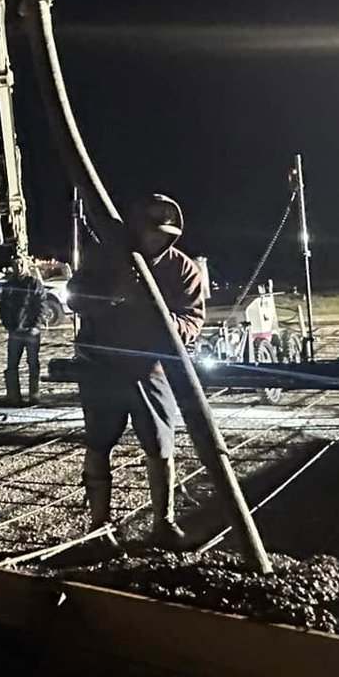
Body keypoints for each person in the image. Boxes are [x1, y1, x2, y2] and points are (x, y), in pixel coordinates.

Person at [71, 194, 206, 548]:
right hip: (103, 367)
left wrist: (171, 325)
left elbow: (193, 317)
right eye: (151, 232)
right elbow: (75, 296)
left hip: (150, 368)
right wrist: (111, 296)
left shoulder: (182, 268)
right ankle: (100, 525)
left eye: (164, 234)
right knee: (99, 441)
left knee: (160, 443)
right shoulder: (104, 258)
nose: (156, 240)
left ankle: (164, 522)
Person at [0, 260, 51, 405]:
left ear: (26, 267)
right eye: (16, 265)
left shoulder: (33, 283)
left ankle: (34, 395)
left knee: (33, 363)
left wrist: (36, 324)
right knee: (12, 365)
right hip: (14, 330)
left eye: (21, 265)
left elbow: (42, 304)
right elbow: (3, 306)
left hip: (31, 331)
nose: (19, 268)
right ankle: (13, 395)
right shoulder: (9, 285)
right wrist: (7, 324)